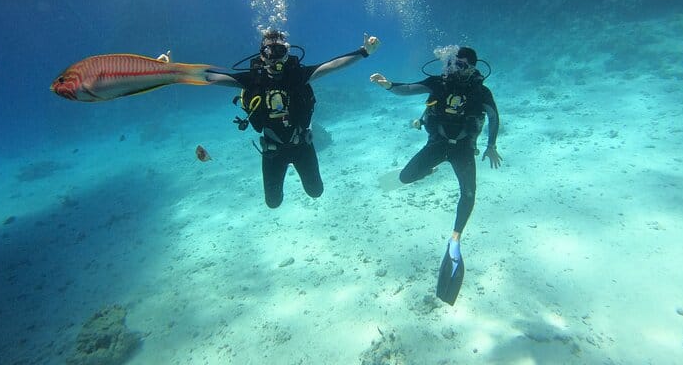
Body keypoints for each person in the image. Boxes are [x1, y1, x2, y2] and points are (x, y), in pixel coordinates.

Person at [369, 45, 501, 304]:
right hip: (438, 145)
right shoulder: (438, 83)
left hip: (463, 149)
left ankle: (455, 238)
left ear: (472, 67)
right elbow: (408, 89)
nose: (453, 69)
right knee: (405, 178)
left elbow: (494, 117)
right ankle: (430, 170)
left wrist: (491, 145)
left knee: (469, 194)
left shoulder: (481, 91)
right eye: (451, 63)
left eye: (460, 65)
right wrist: (388, 85)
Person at [206, 29, 380, 208]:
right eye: (269, 51)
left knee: (316, 191)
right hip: (272, 151)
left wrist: (364, 51)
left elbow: (332, 65)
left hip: (302, 145)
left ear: (287, 53)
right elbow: (213, 77)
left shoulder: (297, 75)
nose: (274, 57)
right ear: (262, 55)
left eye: (280, 51)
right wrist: (184, 73)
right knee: (273, 203)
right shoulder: (253, 79)